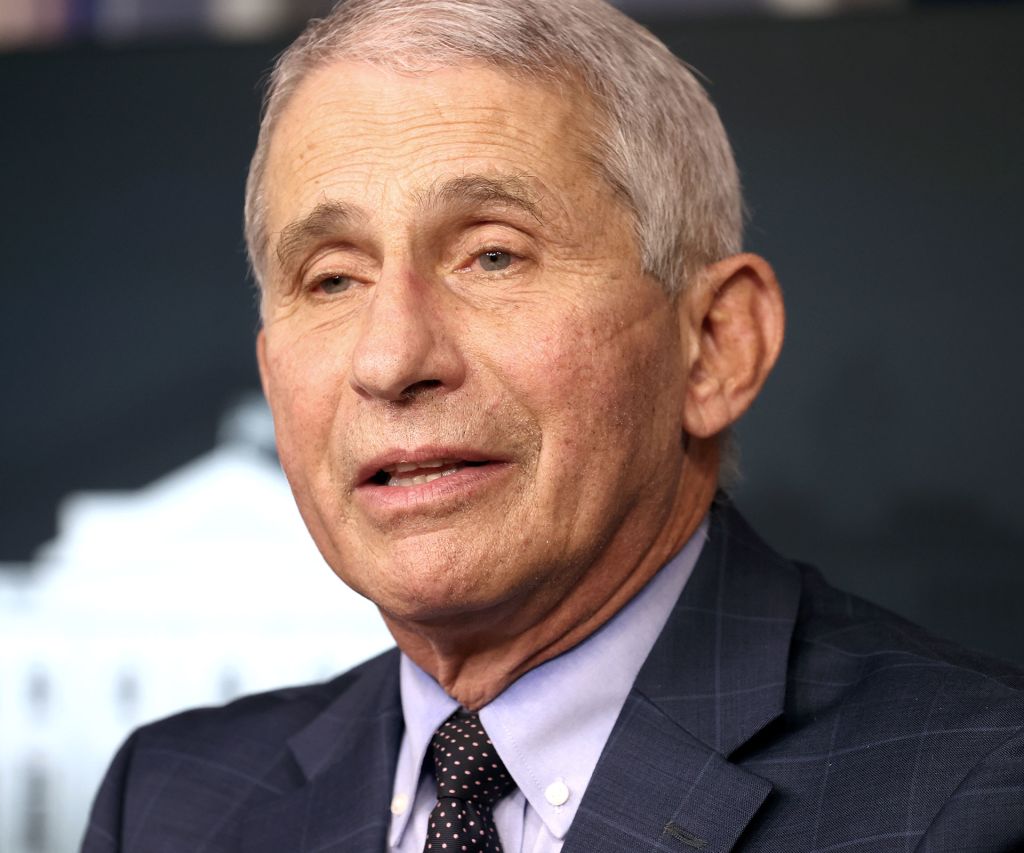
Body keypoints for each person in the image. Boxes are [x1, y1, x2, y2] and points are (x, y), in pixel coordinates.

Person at [81, 0, 1024, 850]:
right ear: (272, 375)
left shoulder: (977, 792)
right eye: (333, 277)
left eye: (492, 255)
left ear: (715, 345)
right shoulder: (168, 805)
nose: (390, 358)